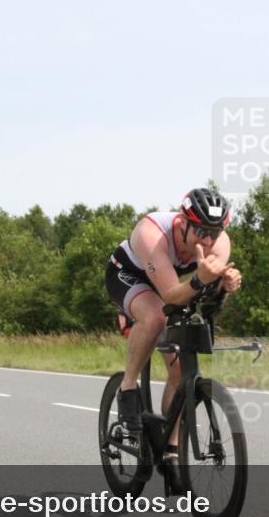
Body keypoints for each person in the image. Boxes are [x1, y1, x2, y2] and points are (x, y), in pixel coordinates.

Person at [104, 188, 243, 461]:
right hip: (127, 275)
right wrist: (200, 280)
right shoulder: (151, 233)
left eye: (213, 233)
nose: (207, 239)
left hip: (167, 283)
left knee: (180, 369)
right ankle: (128, 387)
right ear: (183, 222)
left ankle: (170, 446)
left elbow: (205, 297)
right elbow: (170, 295)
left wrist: (224, 285)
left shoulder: (220, 242)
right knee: (155, 316)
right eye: (201, 231)